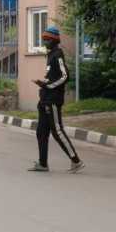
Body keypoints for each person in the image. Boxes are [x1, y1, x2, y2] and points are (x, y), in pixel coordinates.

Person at [29, 27, 85, 173]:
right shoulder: (50, 55)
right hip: (45, 99)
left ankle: (76, 161)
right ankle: (43, 164)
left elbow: (65, 76)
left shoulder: (58, 54)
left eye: (47, 39)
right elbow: (53, 76)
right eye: (44, 39)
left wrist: (48, 86)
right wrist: (43, 84)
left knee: (57, 131)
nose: (45, 42)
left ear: (54, 40)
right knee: (41, 132)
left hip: (53, 100)